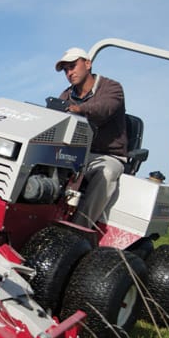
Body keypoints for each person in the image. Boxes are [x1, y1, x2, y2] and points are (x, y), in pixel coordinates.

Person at [55, 47, 128, 228]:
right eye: (66, 70)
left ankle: (79, 228)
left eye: (73, 66)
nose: (69, 73)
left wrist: (79, 109)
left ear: (88, 64)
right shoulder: (66, 95)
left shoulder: (112, 88)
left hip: (106, 155)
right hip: (75, 153)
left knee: (107, 172)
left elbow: (104, 109)